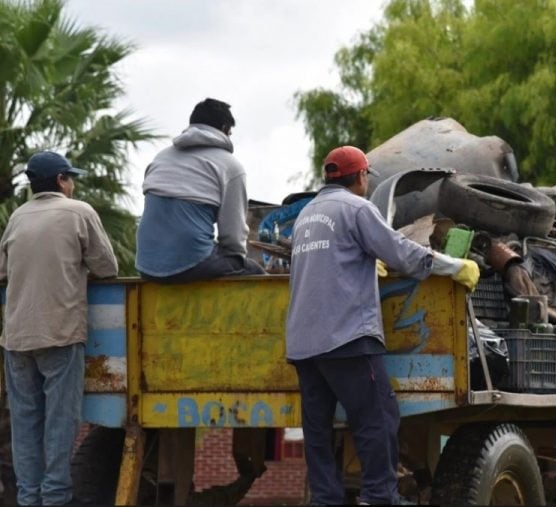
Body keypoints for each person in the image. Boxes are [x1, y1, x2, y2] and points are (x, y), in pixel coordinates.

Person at [285, 145, 479, 505]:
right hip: (346, 338)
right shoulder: (357, 208)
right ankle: (379, 498)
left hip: (303, 344)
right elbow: (401, 252)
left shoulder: (306, 216)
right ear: (360, 177)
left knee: (317, 430)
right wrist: (455, 267)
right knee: (377, 418)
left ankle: (325, 500)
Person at [0, 151, 118, 506]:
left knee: (25, 424)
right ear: (61, 181)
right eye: (71, 177)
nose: (73, 183)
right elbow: (107, 267)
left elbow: (3, 272)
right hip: (60, 334)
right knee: (60, 423)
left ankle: (28, 498)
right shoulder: (79, 211)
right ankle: (54, 498)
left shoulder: (17, 218)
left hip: (17, 338)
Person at [135, 97, 263, 282]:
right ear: (225, 129)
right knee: (254, 271)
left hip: (146, 266)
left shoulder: (160, 158)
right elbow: (233, 236)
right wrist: (237, 262)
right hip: (191, 264)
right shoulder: (229, 166)